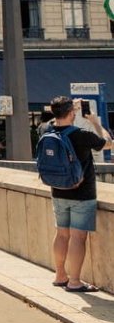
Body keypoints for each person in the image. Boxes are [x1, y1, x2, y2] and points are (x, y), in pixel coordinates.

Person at [45, 96, 112, 292]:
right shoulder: (81, 134)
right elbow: (108, 143)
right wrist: (95, 122)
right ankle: (74, 281)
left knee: (62, 234)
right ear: (72, 113)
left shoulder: (47, 130)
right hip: (82, 193)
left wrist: (65, 109)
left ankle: (60, 275)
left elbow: (55, 120)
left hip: (58, 190)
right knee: (78, 237)